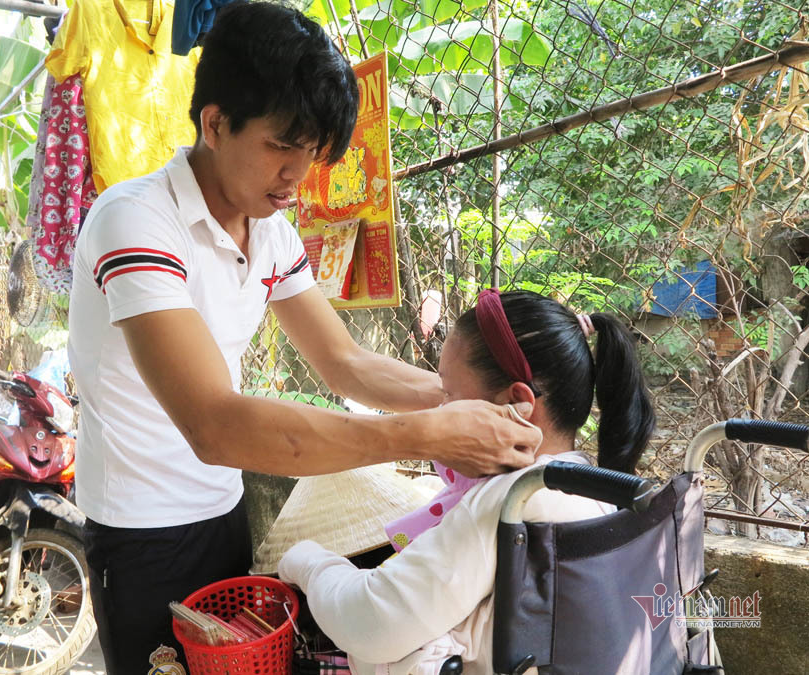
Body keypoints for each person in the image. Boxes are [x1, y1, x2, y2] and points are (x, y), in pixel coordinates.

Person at [67, 3, 541, 672]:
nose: (298, 174)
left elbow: (343, 361)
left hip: (224, 510)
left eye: (312, 151)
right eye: (280, 146)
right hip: (140, 530)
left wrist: (460, 404)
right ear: (215, 122)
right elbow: (213, 424)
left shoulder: (271, 230)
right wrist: (431, 431)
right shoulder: (135, 222)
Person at [278, 289, 656, 675]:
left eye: (448, 393)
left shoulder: (512, 503)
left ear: (517, 403)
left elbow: (372, 621)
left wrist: (306, 560)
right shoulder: (593, 487)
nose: (440, 408)